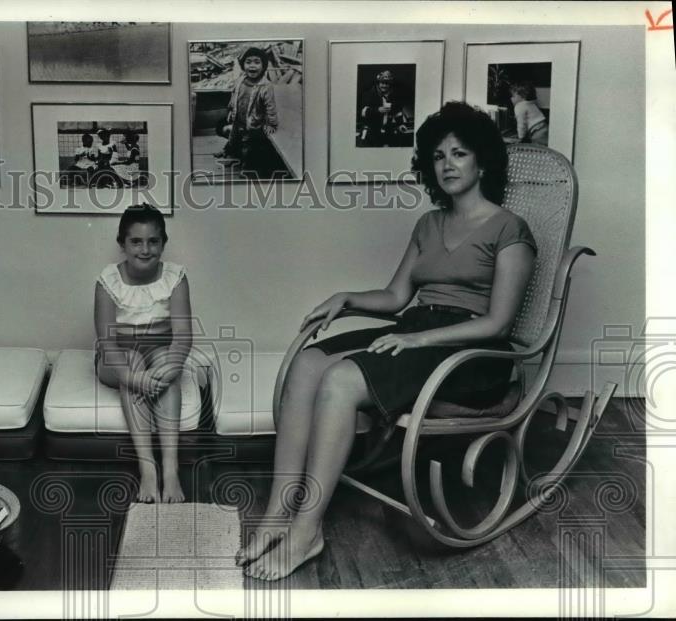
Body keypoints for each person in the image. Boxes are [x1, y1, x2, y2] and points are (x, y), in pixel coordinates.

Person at [239, 101, 537, 581]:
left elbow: (498, 324)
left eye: (459, 154)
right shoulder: (428, 224)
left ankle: (307, 531)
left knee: (341, 379)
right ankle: (279, 509)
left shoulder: (510, 230)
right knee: (310, 361)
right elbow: (397, 296)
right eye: (438, 156)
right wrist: (345, 298)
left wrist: (421, 342)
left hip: (471, 354)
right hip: (418, 329)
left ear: (482, 161)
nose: (447, 165)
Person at [95, 204, 193, 503]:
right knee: (132, 361)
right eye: (136, 241)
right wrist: (134, 379)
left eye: (153, 241)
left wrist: (169, 370)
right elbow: (107, 343)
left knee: (166, 361)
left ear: (163, 243)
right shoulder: (108, 281)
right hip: (116, 357)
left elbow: (183, 337)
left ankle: (171, 471)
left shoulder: (175, 277)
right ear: (122, 244)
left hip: (160, 348)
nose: (145, 249)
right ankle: (148, 469)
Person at [215, 46, 284, 179]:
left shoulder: (266, 86)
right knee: (233, 138)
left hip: (253, 123)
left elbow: (271, 108)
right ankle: (228, 153)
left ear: (263, 66)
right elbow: (234, 95)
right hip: (238, 118)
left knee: (248, 145)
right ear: (243, 65)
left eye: (257, 62)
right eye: (248, 62)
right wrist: (230, 109)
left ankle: (247, 167)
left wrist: (272, 124)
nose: (252, 66)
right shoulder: (240, 80)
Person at [357, 69, 414, 147]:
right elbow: (362, 113)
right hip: (370, 131)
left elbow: (397, 112)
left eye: (387, 83)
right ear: (378, 83)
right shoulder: (369, 95)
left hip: (386, 131)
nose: (384, 85)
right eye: (382, 83)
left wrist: (400, 124)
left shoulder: (393, 96)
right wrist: (377, 110)